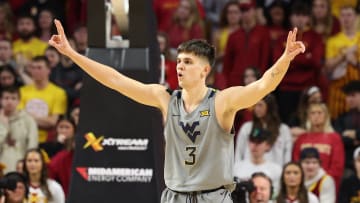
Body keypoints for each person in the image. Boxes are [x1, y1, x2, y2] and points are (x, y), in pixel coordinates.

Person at [49, 19, 305, 203]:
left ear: (205, 70)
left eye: (188, 62)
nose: (180, 66)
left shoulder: (222, 101)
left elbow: (262, 86)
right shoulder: (165, 99)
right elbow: (115, 80)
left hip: (213, 197)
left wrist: (285, 59)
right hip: (174, 196)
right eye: (179, 61)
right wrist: (71, 53)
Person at [233, 127, 282, 196]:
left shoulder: (276, 169)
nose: (254, 145)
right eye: (252, 141)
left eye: (259, 142)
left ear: (267, 145)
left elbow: (275, 195)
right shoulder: (236, 167)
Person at [0, 86, 38, 173]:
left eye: (13, 98)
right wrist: (3, 127)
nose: (9, 101)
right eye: (6, 98)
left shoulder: (28, 120)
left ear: (19, 101)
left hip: (21, 165)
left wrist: (27, 165)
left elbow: (33, 145)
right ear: (1, 100)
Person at [333, 80, 360, 177]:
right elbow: (338, 138)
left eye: (353, 95)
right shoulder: (342, 118)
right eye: (348, 96)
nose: (349, 99)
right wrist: (355, 140)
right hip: (348, 163)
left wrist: (355, 134)